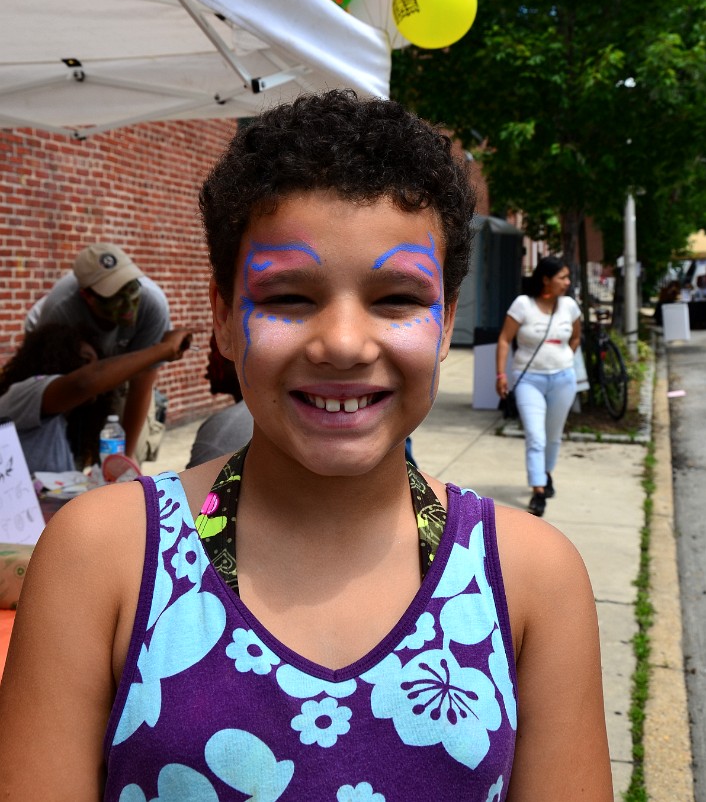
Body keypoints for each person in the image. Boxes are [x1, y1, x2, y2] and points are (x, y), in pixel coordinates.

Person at [0, 92, 612, 801]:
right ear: (225, 322)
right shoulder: (102, 559)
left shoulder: (532, 583)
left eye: (397, 300)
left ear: (445, 326)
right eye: (290, 298)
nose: (344, 344)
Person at [25, 243, 171, 461]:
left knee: (127, 456)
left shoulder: (153, 304)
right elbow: (53, 393)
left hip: (125, 377)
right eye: (116, 297)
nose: (129, 304)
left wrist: (125, 461)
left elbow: (141, 387)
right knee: (66, 451)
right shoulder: (60, 311)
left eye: (131, 289)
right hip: (68, 375)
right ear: (88, 296)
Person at [0, 322, 193, 475]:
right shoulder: (23, 393)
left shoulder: (68, 422)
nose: (93, 372)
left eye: (95, 363)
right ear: (57, 359)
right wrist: (165, 349)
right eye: (85, 362)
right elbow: (83, 383)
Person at [495, 256, 581, 518]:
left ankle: (545, 472)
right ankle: (539, 491)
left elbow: (576, 337)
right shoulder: (523, 304)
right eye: (562, 277)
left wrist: (564, 360)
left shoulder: (569, 306)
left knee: (553, 436)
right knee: (536, 435)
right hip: (529, 379)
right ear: (546, 279)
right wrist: (501, 374)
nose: (567, 283)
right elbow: (504, 340)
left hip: (563, 379)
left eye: (568, 278)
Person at [186, 332, 254, 468]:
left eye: (213, 352)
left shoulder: (221, 433)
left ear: (237, 358)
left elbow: (196, 489)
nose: (209, 361)